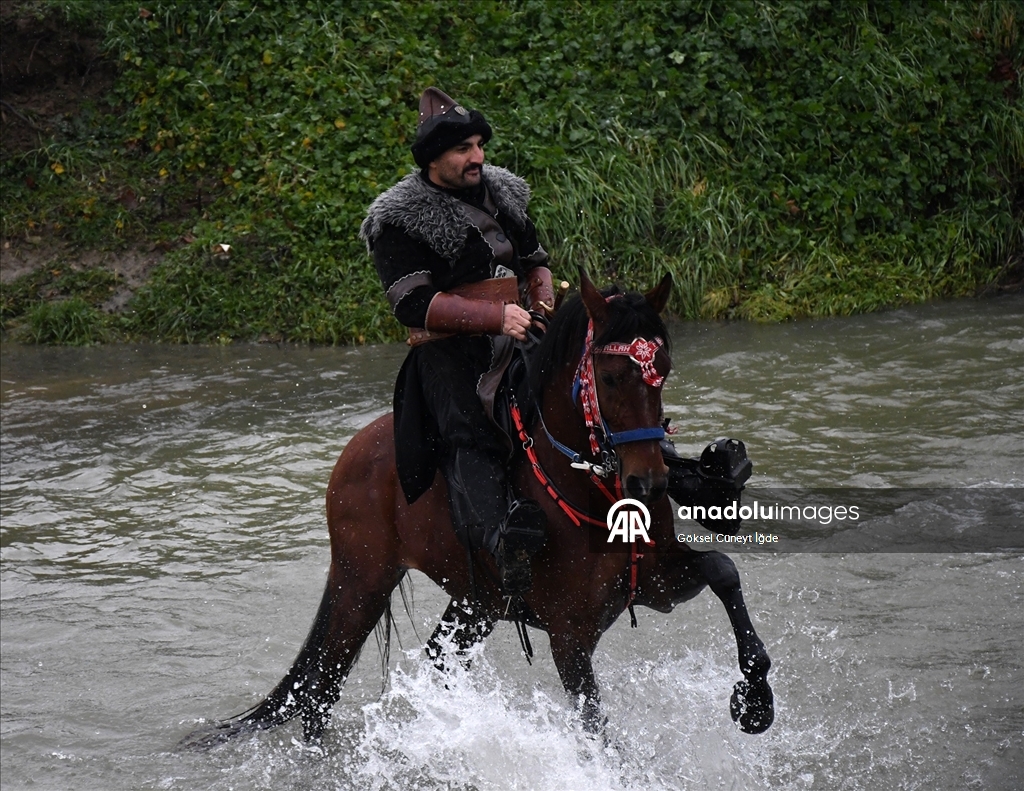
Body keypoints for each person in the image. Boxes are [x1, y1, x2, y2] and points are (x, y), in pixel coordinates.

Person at [360, 87, 554, 595]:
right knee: (469, 428)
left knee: (586, 382)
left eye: (479, 145)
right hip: (447, 353)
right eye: (464, 149)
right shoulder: (397, 219)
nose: (478, 158)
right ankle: (500, 543)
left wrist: (542, 310)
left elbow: (536, 263)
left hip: (521, 330)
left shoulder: (503, 193)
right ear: (433, 159)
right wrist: (495, 317)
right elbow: (411, 303)